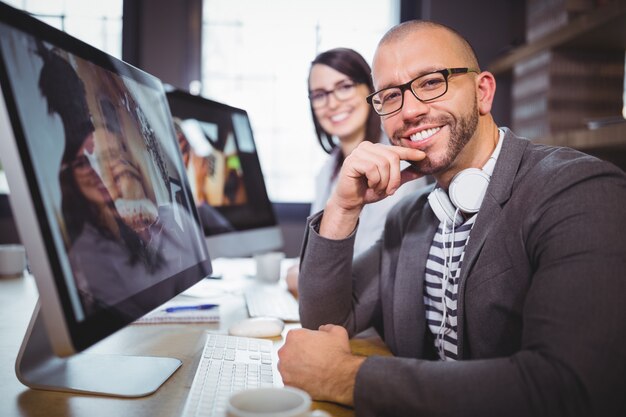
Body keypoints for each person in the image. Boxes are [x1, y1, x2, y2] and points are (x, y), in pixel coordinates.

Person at [277, 20, 626, 417]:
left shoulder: (578, 190)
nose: (409, 111)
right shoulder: (411, 215)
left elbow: (569, 388)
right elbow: (326, 321)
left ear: (483, 92)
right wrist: (343, 207)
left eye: (430, 82)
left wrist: (345, 377)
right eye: (391, 96)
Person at [286, 47, 427, 294]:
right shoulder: (328, 168)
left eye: (344, 87)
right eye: (319, 94)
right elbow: (317, 256)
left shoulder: (397, 160)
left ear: (369, 90)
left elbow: (359, 274)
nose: (332, 103)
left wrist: (301, 276)